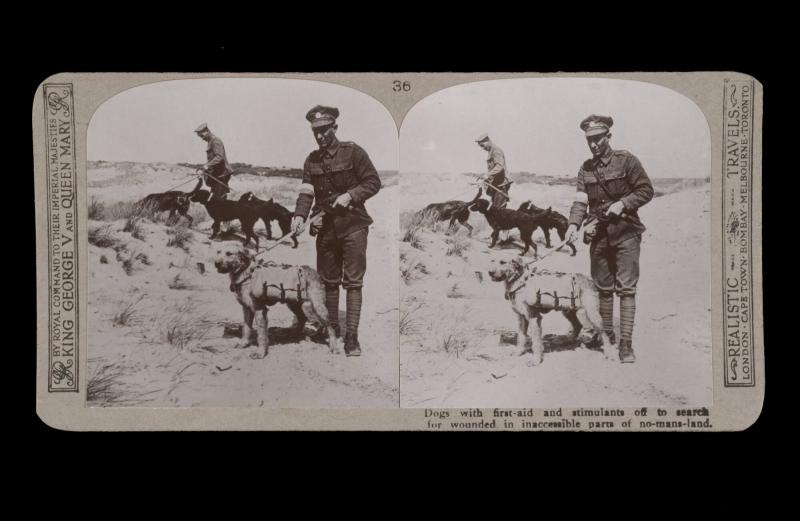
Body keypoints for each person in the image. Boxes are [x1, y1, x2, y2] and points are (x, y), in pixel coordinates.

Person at [291, 106, 382, 357]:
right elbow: (306, 191)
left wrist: (351, 196)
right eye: (315, 132)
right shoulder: (311, 160)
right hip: (326, 228)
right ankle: (332, 329)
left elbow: (373, 182)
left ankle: (352, 337)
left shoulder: (353, 152)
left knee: (353, 283)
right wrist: (299, 215)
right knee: (328, 282)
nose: (319, 136)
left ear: (334, 128)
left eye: (323, 130)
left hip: (354, 225)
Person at [565, 115, 654, 363]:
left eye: (597, 139)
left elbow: (646, 190)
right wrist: (573, 224)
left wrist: (624, 204)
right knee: (603, 288)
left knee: (626, 289)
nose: (593, 144)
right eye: (589, 140)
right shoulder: (585, 168)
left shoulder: (626, 160)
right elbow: (580, 200)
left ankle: (626, 345)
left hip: (626, 232)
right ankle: (608, 336)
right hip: (598, 235)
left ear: (608, 137)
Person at [194, 123, 233, 198]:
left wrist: (206, 166)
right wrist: (203, 169)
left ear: (206, 131)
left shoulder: (215, 141)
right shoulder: (210, 142)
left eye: (202, 135)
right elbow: (212, 160)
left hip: (222, 174)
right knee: (215, 198)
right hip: (217, 174)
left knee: (218, 200)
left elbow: (219, 157)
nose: (202, 138)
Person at [476, 134, 510, 209]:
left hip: (501, 185)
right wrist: (484, 177)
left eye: (482, 145)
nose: (482, 148)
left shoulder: (496, 150)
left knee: (498, 211)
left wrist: (487, 175)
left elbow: (499, 166)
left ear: (487, 141)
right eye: (480, 146)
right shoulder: (491, 151)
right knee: (495, 209)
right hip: (497, 184)